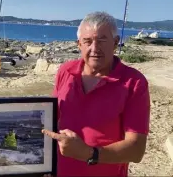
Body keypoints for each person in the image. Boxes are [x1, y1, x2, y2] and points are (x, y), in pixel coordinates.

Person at [42, 11, 150, 176]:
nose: (94, 48)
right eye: (88, 41)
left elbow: (136, 150)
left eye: (101, 40)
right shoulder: (65, 71)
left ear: (115, 42)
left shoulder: (134, 82)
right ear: (79, 44)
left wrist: (89, 153)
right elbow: (51, 120)